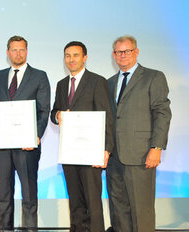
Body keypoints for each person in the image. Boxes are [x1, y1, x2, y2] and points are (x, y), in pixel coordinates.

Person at [105, 35, 171, 232]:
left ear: (137, 52)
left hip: (141, 155)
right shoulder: (109, 82)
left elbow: (162, 113)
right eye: (119, 52)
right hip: (114, 157)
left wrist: (156, 147)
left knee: (141, 211)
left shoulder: (153, 76)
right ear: (114, 55)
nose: (123, 55)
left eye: (127, 51)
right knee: (118, 211)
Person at [0, 36, 50, 232]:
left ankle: (30, 230)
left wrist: (36, 136)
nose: (18, 53)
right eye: (14, 50)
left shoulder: (39, 76)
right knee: (5, 194)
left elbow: (44, 109)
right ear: (8, 52)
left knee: (29, 194)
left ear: (27, 51)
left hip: (27, 145)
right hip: (3, 144)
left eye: (22, 50)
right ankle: (5, 229)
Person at [50, 41, 114, 232]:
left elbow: (107, 117)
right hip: (70, 152)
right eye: (68, 55)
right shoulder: (62, 84)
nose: (71, 59)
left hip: (91, 152)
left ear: (85, 58)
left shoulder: (97, 81)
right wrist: (57, 115)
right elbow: (54, 112)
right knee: (75, 201)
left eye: (76, 55)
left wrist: (106, 149)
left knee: (93, 202)